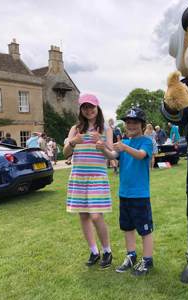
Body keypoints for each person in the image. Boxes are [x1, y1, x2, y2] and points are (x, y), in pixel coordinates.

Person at [63, 94, 115, 268]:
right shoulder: (75, 128)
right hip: (79, 177)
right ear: (81, 109)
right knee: (83, 215)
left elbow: (112, 153)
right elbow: (65, 154)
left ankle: (107, 250)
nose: (89, 110)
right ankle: (94, 252)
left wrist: (101, 144)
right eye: (85, 107)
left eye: (91, 106)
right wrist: (73, 142)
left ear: (97, 107)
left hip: (97, 177)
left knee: (95, 215)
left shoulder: (105, 128)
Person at [112, 107, 154, 276]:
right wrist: (101, 147)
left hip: (140, 195)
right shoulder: (124, 144)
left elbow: (140, 155)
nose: (131, 125)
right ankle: (131, 256)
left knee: (145, 230)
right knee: (127, 227)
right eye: (128, 122)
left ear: (142, 125)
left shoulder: (146, 141)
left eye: (135, 122)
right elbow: (111, 155)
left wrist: (123, 147)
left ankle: (147, 260)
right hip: (124, 194)